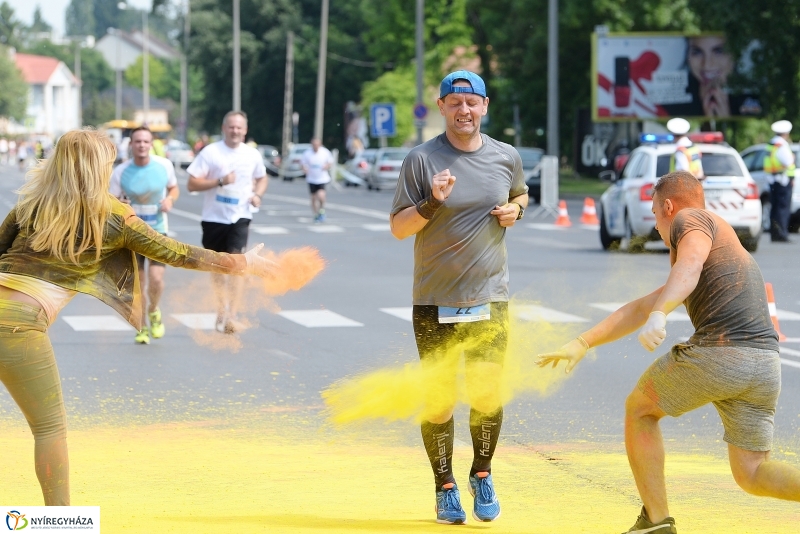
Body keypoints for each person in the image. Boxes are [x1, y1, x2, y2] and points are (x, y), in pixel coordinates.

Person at [0, 129, 277, 506]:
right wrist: (243, 262)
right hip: (17, 324)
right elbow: (176, 253)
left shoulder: (30, 205)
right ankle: (58, 525)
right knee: (49, 429)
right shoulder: (113, 215)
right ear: (99, 168)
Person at [537, 170, 800, 533]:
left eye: (655, 212)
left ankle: (656, 523)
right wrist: (582, 342)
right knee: (752, 472)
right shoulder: (717, 240)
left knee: (640, 410)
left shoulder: (688, 220)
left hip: (722, 355)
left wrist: (662, 314)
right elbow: (641, 307)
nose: (658, 226)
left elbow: (687, 266)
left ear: (668, 206)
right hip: (765, 366)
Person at [390, 70, 528, 525]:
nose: (464, 111)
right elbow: (399, 227)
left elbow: (520, 193)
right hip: (434, 299)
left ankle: (482, 474)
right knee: (441, 400)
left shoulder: (506, 157)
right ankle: (445, 485)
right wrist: (431, 202)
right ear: (442, 106)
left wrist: (516, 210)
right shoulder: (421, 159)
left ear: (485, 106)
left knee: (488, 394)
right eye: (455, 103)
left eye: (472, 103)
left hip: (491, 296)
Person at [186, 111, 268, 333]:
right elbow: (192, 184)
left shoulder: (252, 155)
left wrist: (257, 194)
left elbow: (262, 177)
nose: (235, 131)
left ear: (245, 130)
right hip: (214, 218)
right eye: (231, 127)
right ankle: (221, 307)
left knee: (238, 265)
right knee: (218, 267)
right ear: (224, 128)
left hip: (240, 216)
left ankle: (232, 314)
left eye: (239, 128)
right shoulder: (211, 152)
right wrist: (220, 181)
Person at [110, 126, 180, 344]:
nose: (141, 145)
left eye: (145, 142)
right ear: (131, 145)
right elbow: (110, 202)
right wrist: (120, 204)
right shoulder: (121, 171)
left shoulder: (164, 166)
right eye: (137, 142)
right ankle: (140, 326)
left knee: (156, 279)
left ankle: (154, 310)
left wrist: (169, 200)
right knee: (138, 283)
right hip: (132, 234)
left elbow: (174, 189)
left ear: (151, 144)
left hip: (157, 230)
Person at [764, 120, 795, 243]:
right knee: (782, 209)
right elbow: (788, 162)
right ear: (786, 133)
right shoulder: (781, 145)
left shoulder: (771, 143)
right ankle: (782, 234)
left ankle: (775, 233)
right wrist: (792, 157)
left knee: (775, 208)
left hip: (773, 180)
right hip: (782, 181)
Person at [301, 138, 334, 223]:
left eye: (317, 145)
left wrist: (326, 166)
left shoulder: (325, 152)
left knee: (321, 195)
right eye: (313, 145)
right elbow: (302, 163)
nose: (315, 147)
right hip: (312, 179)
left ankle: (322, 210)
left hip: (322, 178)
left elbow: (330, 162)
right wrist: (305, 169)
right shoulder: (307, 153)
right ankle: (315, 214)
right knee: (313, 198)